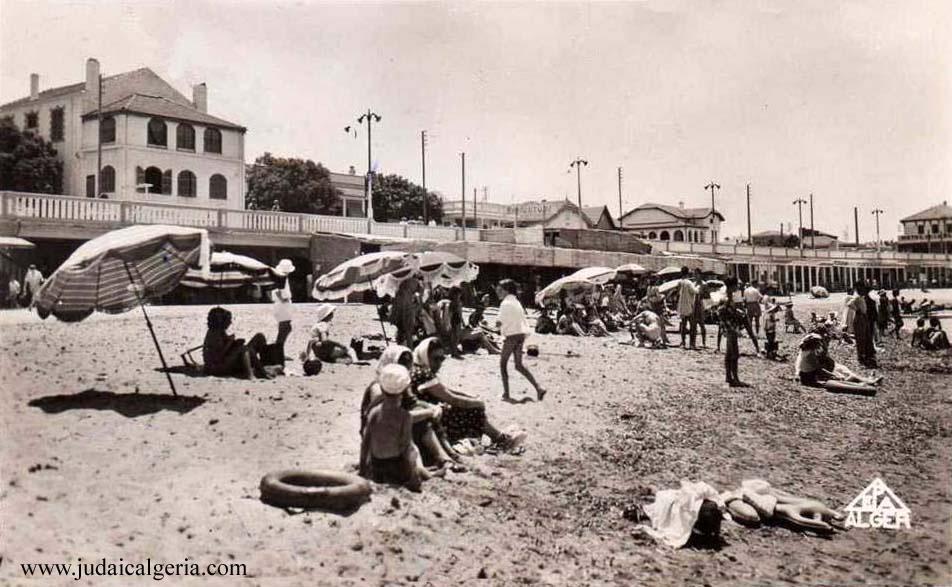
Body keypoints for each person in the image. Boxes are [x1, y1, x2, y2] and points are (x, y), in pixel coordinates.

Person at [360, 346, 459, 474]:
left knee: (422, 411)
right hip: (385, 437)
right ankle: (427, 467)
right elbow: (389, 419)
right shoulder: (379, 389)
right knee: (421, 420)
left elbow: (413, 403)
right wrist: (428, 412)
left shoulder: (399, 383)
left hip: (396, 430)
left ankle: (445, 456)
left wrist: (429, 408)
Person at [412, 337, 523, 449]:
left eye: (442, 359)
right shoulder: (424, 374)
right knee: (472, 409)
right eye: (436, 359)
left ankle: (498, 437)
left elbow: (444, 390)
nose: (439, 363)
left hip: (425, 415)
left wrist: (469, 397)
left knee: (469, 405)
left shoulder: (418, 368)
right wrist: (477, 403)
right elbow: (451, 398)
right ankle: (501, 439)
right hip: (428, 419)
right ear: (425, 356)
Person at [359, 364, 423, 492]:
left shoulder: (374, 412)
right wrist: (413, 475)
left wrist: (363, 470)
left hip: (377, 466)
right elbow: (406, 448)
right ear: (405, 390)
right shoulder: (404, 416)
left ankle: (426, 473)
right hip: (395, 467)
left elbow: (365, 443)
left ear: (382, 389)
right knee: (413, 449)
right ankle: (420, 476)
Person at [496, 279, 546, 402]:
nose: (498, 292)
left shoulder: (505, 303)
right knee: (518, 365)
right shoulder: (516, 302)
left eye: (500, 290)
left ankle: (506, 393)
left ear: (506, 290)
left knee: (503, 365)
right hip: (520, 336)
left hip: (511, 337)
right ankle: (539, 388)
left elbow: (498, 322)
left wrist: (497, 327)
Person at [795, 333, 881, 392]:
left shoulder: (804, 352)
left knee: (845, 377)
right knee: (850, 378)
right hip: (811, 380)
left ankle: (869, 381)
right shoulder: (810, 354)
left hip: (807, 378)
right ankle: (869, 382)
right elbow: (819, 370)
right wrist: (833, 376)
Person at [202, 307, 269, 379]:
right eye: (228, 320)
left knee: (259, 337)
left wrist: (234, 343)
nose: (230, 322)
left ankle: (263, 367)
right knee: (244, 349)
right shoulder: (214, 334)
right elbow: (218, 357)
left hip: (225, 363)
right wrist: (230, 342)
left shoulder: (220, 331)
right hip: (217, 368)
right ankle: (252, 374)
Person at [718, 277, 747, 387]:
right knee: (734, 354)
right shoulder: (727, 298)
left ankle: (728, 376)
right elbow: (722, 312)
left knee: (729, 353)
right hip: (731, 328)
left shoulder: (728, 296)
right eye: (736, 285)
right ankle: (735, 378)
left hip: (729, 327)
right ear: (732, 286)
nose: (738, 287)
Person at [270, 258, 295, 358]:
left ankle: (279, 351)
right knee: (285, 328)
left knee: (285, 328)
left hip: (281, 305)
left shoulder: (280, 277)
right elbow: (277, 291)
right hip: (282, 305)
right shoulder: (282, 278)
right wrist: (284, 299)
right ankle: (278, 351)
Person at [390, 277, 422, 347]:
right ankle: (403, 346)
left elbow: (419, 299)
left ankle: (408, 348)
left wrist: (415, 308)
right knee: (403, 330)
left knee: (407, 331)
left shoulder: (410, 281)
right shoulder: (404, 280)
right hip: (402, 308)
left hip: (406, 309)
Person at [676, 267, 698, 349]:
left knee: (683, 325)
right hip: (689, 305)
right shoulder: (689, 283)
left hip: (681, 306)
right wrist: (698, 287)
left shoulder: (679, 282)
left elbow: (677, 293)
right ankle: (692, 344)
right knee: (692, 325)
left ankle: (683, 342)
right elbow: (695, 291)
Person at [692, 274, 709, 348]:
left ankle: (704, 342)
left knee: (702, 324)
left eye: (697, 274)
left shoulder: (704, 284)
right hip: (694, 305)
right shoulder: (693, 284)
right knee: (694, 325)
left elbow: (707, 295)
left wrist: (701, 294)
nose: (696, 276)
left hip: (701, 304)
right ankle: (694, 342)